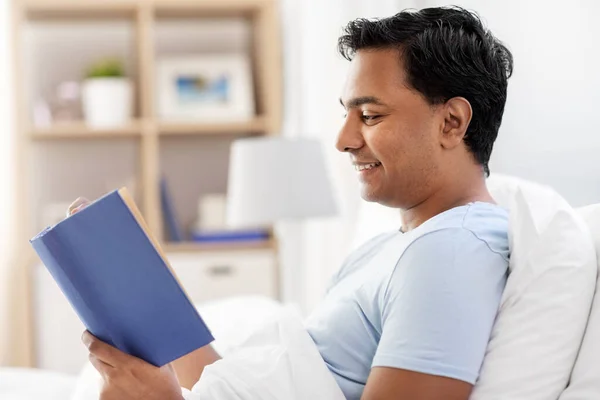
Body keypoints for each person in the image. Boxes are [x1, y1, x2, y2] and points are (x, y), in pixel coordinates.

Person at [72, 6, 513, 400]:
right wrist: (149, 286)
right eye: (346, 114)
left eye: (371, 116)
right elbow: (229, 383)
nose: (344, 140)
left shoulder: (453, 251)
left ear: (452, 122)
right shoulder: (390, 249)